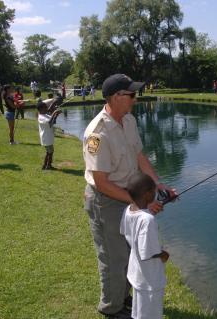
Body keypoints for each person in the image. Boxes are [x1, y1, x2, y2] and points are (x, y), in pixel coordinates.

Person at [83, 74, 176, 319]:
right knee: (114, 257)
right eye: (131, 95)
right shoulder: (97, 133)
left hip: (130, 197)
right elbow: (101, 183)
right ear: (116, 97)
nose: (135, 99)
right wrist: (139, 203)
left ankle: (123, 299)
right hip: (107, 200)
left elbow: (139, 157)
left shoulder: (129, 120)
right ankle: (111, 309)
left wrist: (158, 185)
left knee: (129, 251)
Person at [120, 173, 169, 319]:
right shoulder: (147, 220)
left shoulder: (128, 209)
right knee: (151, 313)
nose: (156, 194)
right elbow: (147, 251)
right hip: (150, 277)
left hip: (136, 271)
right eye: (154, 191)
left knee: (140, 310)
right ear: (148, 194)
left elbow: (124, 231)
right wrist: (163, 254)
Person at [37, 100, 62, 170]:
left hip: (49, 137)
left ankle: (46, 165)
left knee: (50, 151)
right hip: (46, 137)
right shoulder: (41, 117)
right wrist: (54, 112)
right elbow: (49, 121)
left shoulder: (45, 115)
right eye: (45, 108)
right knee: (50, 152)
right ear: (41, 109)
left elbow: (52, 122)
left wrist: (56, 114)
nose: (47, 109)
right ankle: (48, 166)